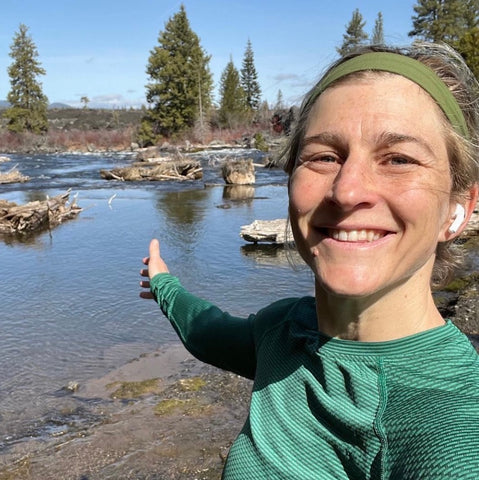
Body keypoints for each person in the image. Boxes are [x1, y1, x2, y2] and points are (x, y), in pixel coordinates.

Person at [140, 42, 479, 479]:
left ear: (458, 209)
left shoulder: (457, 424)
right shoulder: (285, 330)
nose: (347, 190)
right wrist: (164, 285)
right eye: (323, 157)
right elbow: (208, 332)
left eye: (398, 159)